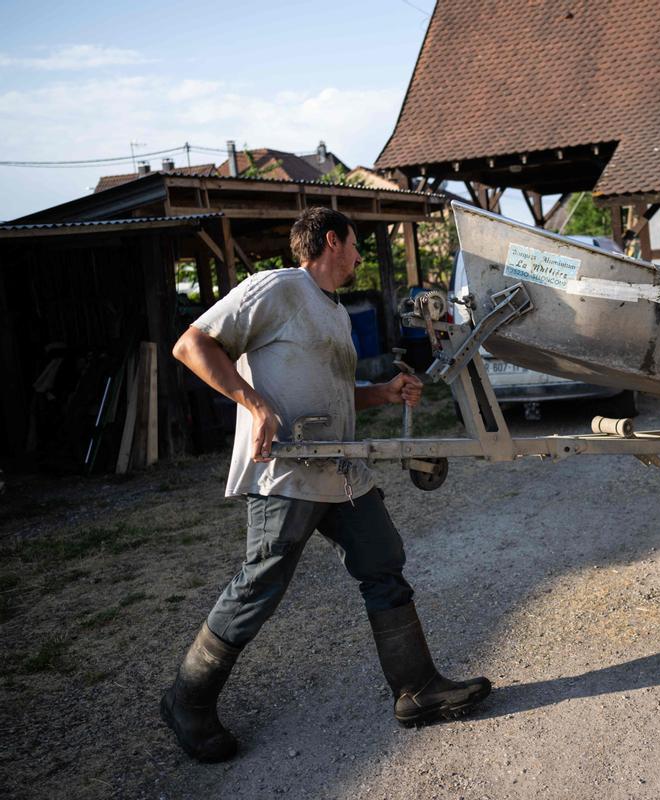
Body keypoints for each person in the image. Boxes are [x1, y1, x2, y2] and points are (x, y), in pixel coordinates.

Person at [161, 207, 490, 763]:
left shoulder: (334, 314)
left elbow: (333, 391)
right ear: (331, 240)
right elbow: (191, 345)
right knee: (259, 585)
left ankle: (416, 689)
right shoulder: (278, 288)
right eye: (356, 246)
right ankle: (186, 700)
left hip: (339, 470)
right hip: (287, 470)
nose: (361, 258)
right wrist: (255, 402)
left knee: (383, 560)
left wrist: (381, 394)